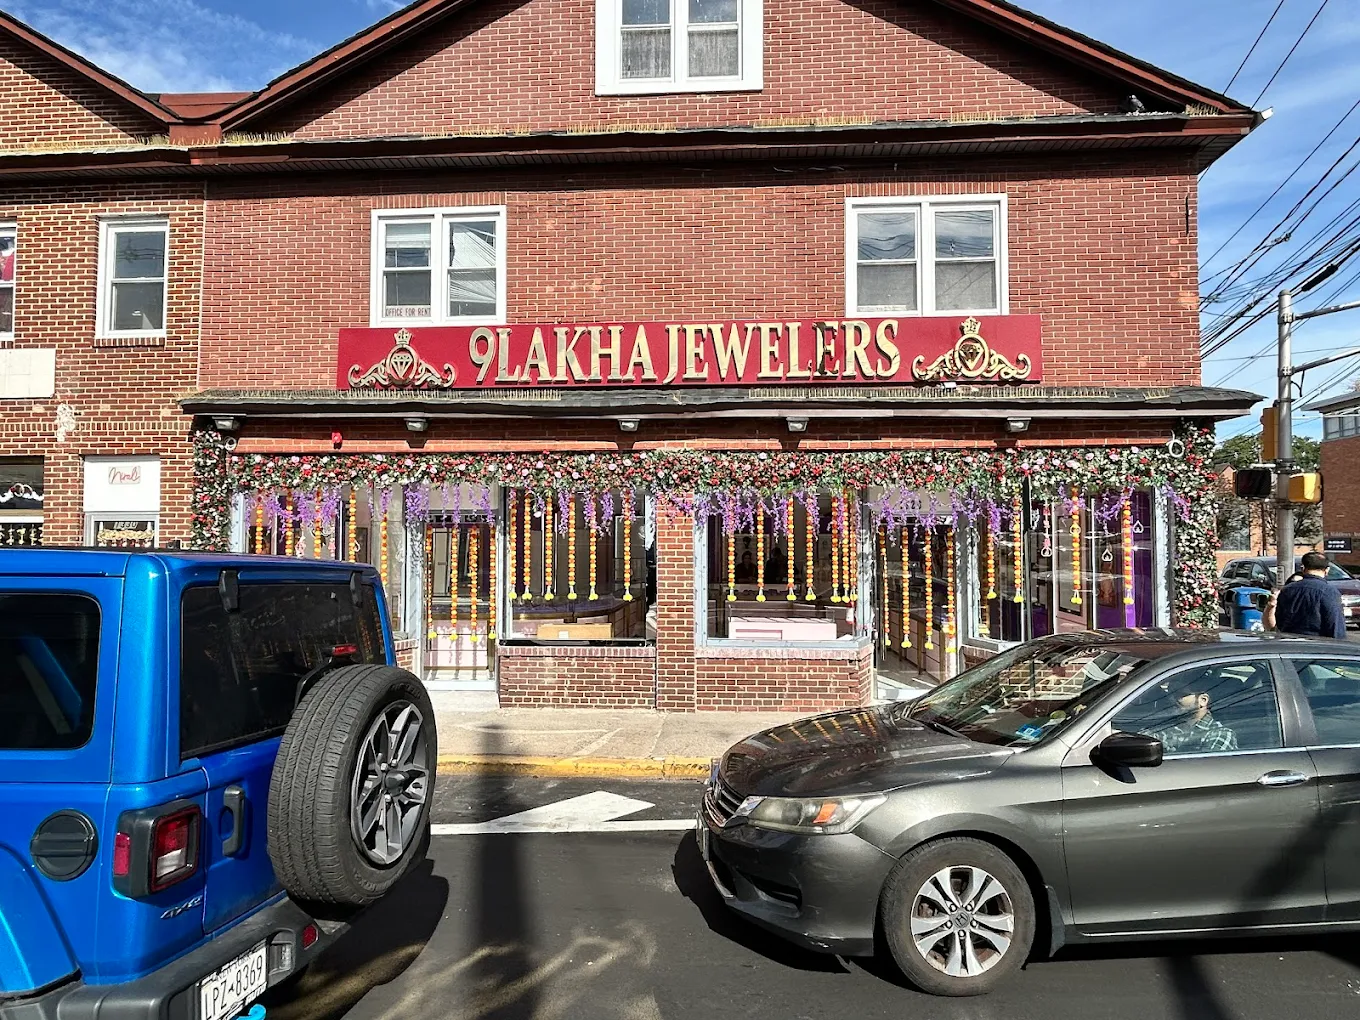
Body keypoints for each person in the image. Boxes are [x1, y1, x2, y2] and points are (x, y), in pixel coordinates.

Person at [1150, 674, 1238, 753]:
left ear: (1203, 700)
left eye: (1180, 694)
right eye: (1170, 693)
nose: (1171, 698)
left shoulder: (1219, 734)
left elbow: (1208, 765)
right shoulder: (1174, 727)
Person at [1274, 552, 1346, 639]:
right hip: (1317, 643)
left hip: (1289, 641)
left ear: (1302, 568)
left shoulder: (1287, 589)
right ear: (1327, 570)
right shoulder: (1329, 591)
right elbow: (1335, 624)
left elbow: (1279, 620)